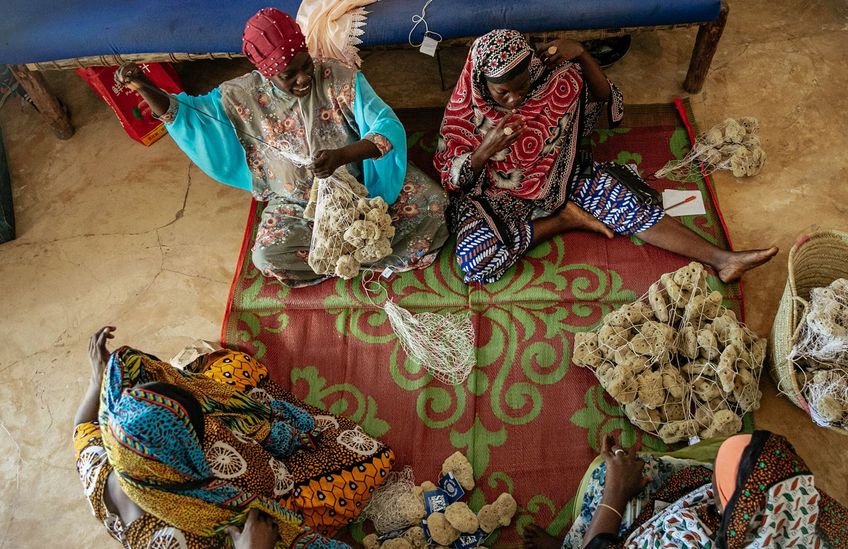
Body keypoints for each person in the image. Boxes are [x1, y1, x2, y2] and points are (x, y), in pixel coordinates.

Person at [118, 8, 448, 287]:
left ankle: (345, 249)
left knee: (433, 206)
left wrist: (341, 156)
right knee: (267, 256)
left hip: (362, 189)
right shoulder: (240, 95)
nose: (304, 78)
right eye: (289, 75)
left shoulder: (338, 77)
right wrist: (142, 86)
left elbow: (386, 126)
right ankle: (355, 250)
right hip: (295, 204)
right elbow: (188, 116)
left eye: (306, 66)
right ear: (265, 73)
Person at [433, 30, 778, 284]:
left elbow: (609, 106)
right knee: (475, 260)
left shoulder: (554, 80)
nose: (514, 99)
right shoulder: (464, 111)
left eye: (521, 87)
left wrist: (582, 55)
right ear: (481, 82)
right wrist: (483, 151)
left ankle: (724, 259)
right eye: (502, 92)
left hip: (561, 176)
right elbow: (452, 179)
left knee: (629, 205)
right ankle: (566, 220)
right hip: (496, 198)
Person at [73, 326, 394, 548]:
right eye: (197, 437)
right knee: (368, 461)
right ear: (187, 458)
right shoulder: (180, 536)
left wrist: (94, 380)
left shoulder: (105, 461)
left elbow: (81, 427)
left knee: (232, 371)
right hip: (271, 502)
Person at [525, 432, 848, 549]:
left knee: (603, 477)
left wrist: (616, 490)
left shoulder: (688, 539)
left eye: (716, 486)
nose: (710, 483)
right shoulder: (829, 524)